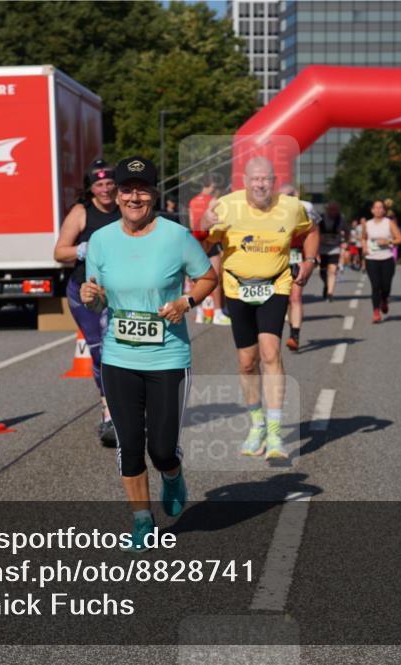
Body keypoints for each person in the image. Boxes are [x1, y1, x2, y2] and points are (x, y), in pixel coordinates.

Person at [80, 156, 217, 551]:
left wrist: (186, 303)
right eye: (127, 189)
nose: (133, 196)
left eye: (142, 189)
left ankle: (172, 475)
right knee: (128, 444)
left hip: (168, 358)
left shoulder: (175, 236)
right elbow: (98, 301)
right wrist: (93, 297)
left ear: (154, 194)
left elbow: (209, 276)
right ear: (116, 194)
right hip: (120, 357)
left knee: (161, 448)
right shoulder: (102, 241)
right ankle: (142, 520)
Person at [202, 157, 317, 459]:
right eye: (255, 179)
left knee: (270, 354)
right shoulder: (226, 206)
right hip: (236, 288)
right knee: (246, 363)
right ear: (245, 181)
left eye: (266, 179)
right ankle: (257, 426)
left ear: (274, 181)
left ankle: (276, 434)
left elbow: (311, 230)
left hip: (275, 285)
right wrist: (203, 226)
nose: (260, 184)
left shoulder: (291, 207)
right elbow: (202, 243)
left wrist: (310, 260)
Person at [54, 159, 120, 446]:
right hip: (85, 291)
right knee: (101, 352)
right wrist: (84, 249)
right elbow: (59, 252)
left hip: (120, 291)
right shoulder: (82, 212)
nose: (105, 190)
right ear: (90, 188)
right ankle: (109, 412)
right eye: (99, 184)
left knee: (123, 350)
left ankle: (128, 408)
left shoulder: (125, 207)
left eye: (109, 184)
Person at [278, 183, 319, 352]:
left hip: (298, 256)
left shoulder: (306, 209)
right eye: (281, 197)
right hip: (276, 258)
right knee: (283, 298)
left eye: (288, 195)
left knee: (295, 296)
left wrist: (312, 256)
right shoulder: (272, 212)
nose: (283, 200)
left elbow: (315, 232)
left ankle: (294, 335)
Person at [189, 173, 230, 326]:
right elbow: (218, 222)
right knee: (216, 278)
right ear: (211, 185)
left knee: (198, 278)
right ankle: (218, 312)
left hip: (196, 240)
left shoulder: (193, 201)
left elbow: (193, 224)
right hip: (210, 241)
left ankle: (200, 313)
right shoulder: (214, 201)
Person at [362, 200, 401, 324]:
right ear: (372, 210)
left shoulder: (389, 223)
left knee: (386, 286)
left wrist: (388, 242)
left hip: (387, 258)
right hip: (371, 258)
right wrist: (364, 248)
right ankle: (376, 312)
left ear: (384, 210)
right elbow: (363, 238)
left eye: (381, 208)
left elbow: (400, 239)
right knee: (375, 286)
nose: (378, 210)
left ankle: (384, 300)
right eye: (376, 207)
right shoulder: (367, 224)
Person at [318, 201, 346, 302]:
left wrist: (345, 242)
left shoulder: (341, 218)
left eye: (335, 210)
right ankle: (326, 285)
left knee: (333, 271)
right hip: (321, 248)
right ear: (327, 210)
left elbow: (347, 230)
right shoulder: (320, 217)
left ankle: (330, 293)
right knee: (323, 271)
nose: (333, 212)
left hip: (335, 248)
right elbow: (314, 231)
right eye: (331, 209)